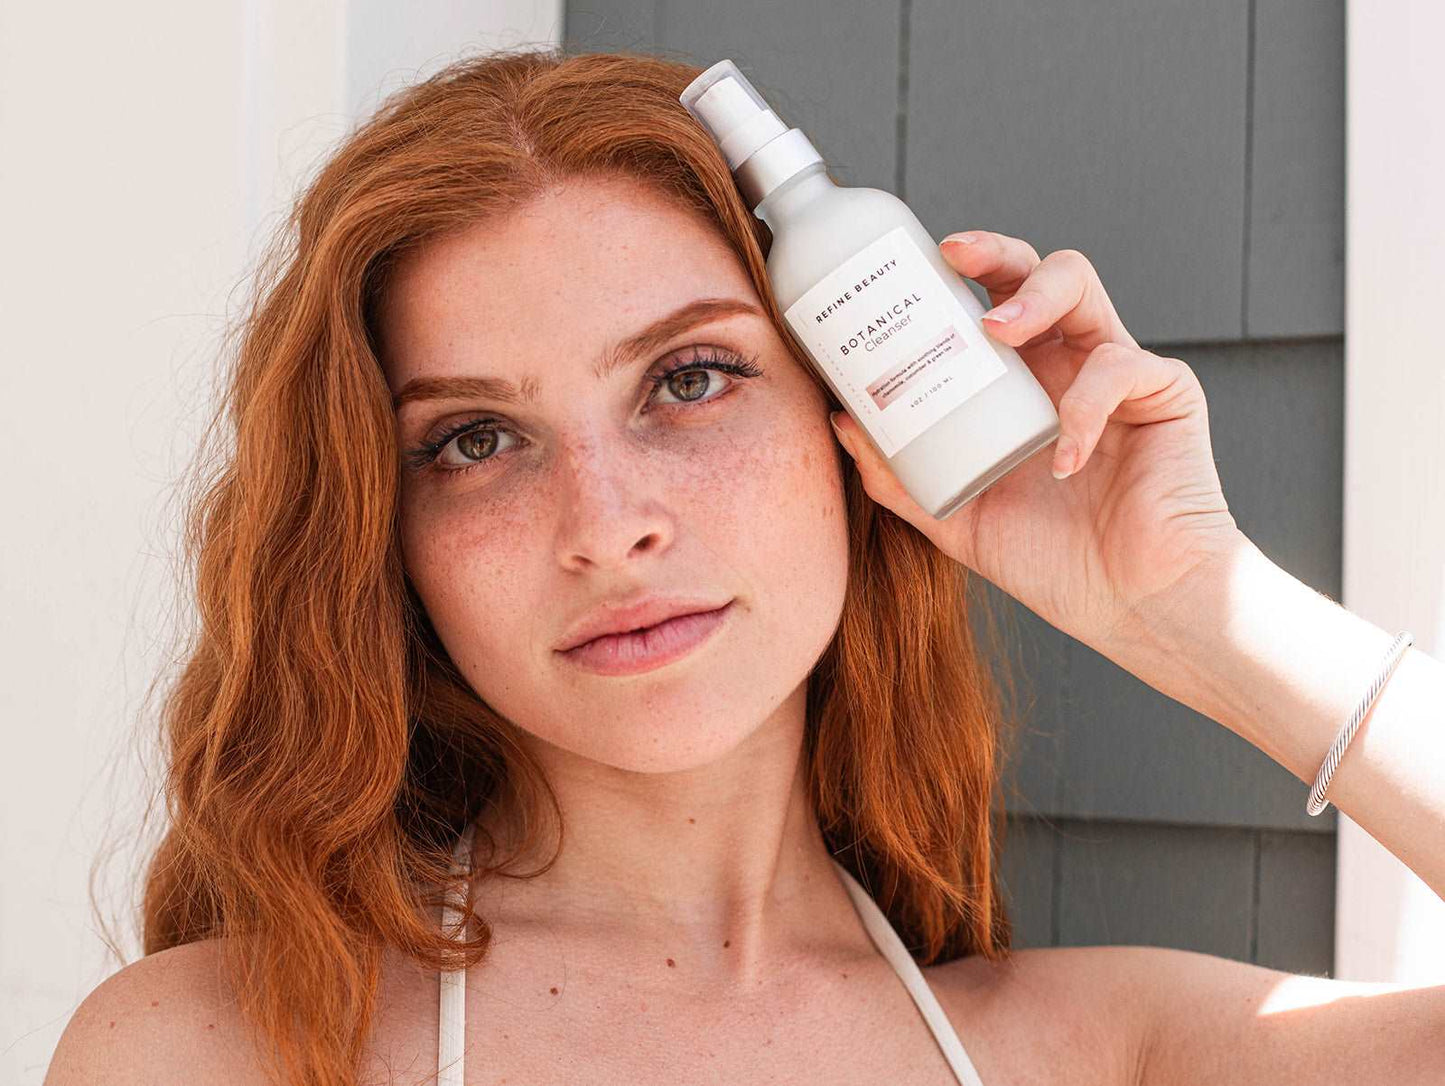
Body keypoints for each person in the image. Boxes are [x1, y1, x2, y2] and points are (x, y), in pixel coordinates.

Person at [45, 46, 1445, 1086]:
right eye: (475, 438)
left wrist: (1191, 605)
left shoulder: (1103, 1052)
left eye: (690, 378)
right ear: (382, 538)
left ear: (857, 428)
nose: (605, 521)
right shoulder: (221, 1047)